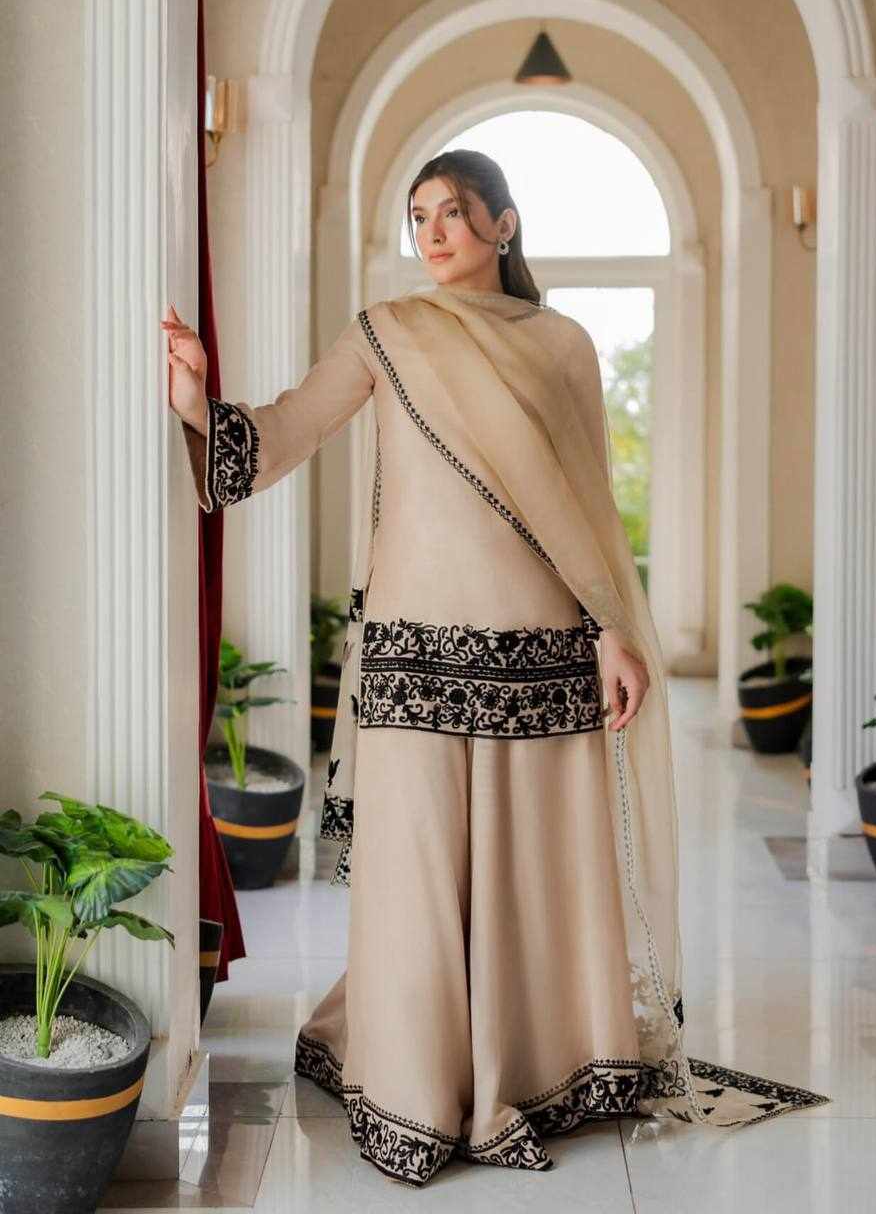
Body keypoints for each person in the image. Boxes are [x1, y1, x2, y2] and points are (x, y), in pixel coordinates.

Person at [164, 148, 828, 1188]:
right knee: (420, 871)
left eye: (454, 213)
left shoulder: (563, 345)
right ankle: (419, 1080)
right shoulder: (387, 332)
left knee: (534, 876)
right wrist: (202, 400)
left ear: (504, 225)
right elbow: (281, 434)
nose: (432, 234)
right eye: (419, 216)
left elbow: (585, 508)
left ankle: (532, 1061)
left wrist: (610, 631)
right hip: (414, 656)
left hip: (545, 651)